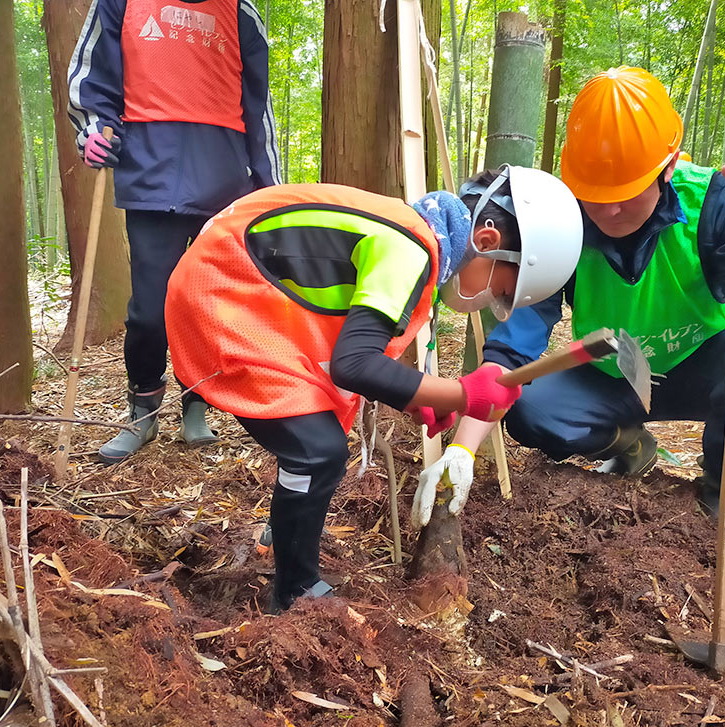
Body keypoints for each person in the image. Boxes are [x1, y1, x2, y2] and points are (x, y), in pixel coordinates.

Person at [412, 68, 725, 542]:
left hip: (705, 364)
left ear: (667, 168)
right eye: (594, 196)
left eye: (623, 195)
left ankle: (720, 489)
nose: (606, 212)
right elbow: (511, 352)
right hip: (615, 371)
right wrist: (463, 450)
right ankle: (629, 444)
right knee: (531, 406)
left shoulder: (714, 202)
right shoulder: (562, 223)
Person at [164, 167, 583, 611]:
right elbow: (354, 365)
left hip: (238, 299)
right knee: (316, 451)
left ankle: (287, 536)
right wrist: (463, 394)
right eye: (501, 289)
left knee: (316, 443)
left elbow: (355, 347)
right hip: (222, 300)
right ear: (486, 241)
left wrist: (414, 399)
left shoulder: (414, 234)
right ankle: (294, 589)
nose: (492, 301)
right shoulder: (409, 249)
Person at [68, 0, 282, 463]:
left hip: (224, 181)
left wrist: (271, 188)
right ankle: (142, 412)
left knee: (205, 306)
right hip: (150, 174)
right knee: (149, 311)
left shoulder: (240, 12)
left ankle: (196, 405)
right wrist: (94, 131)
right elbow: (93, 77)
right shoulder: (120, 3)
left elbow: (258, 104)